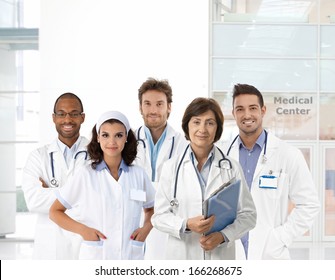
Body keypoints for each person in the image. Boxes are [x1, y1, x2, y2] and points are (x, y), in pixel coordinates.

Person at [151, 97, 256, 260]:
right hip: (182, 256)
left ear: (217, 128)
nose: (202, 129)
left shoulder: (231, 167)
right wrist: (186, 224)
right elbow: (158, 217)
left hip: (219, 258)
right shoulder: (171, 168)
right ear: (187, 125)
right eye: (196, 122)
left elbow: (249, 215)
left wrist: (223, 236)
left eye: (210, 123)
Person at [227, 83, 320, 259]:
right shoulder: (222, 156)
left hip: (269, 254)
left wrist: (280, 238)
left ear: (263, 111)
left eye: (252, 108)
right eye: (240, 109)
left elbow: (309, 205)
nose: (247, 115)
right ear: (234, 114)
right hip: (231, 252)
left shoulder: (288, 154)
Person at [49, 111, 155, 260]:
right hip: (97, 255)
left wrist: (146, 229)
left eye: (118, 135)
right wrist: (84, 231)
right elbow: (55, 211)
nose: (112, 142)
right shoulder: (85, 174)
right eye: (105, 135)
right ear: (98, 137)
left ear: (126, 138)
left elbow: (151, 208)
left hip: (131, 255)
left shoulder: (138, 174)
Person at [22, 92, 89, 259]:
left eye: (74, 114)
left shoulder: (97, 155)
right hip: (49, 245)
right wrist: (81, 193)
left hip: (85, 243)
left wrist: (54, 192)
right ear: (53, 117)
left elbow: (101, 198)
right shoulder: (38, 157)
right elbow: (33, 201)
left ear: (82, 117)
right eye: (61, 114)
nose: (67, 119)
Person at [134, 77, 188, 259]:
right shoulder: (127, 141)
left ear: (169, 107)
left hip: (168, 223)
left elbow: (183, 189)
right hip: (134, 221)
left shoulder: (183, 144)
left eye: (159, 104)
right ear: (140, 107)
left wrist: (145, 193)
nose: (153, 110)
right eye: (147, 104)